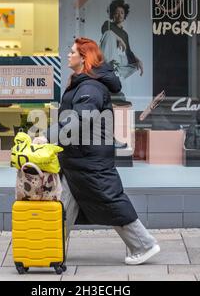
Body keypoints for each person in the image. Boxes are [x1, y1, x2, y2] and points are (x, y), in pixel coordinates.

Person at [35, 37, 160, 265]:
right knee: (64, 202)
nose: (68, 55)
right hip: (77, 158)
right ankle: (52, 250)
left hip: (89, 159)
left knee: (110, 200)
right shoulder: (84, 82)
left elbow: (80, 118)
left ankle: (145, 244)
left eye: (72, 52)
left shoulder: (90, 87)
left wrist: (48, 136)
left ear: (84, 58)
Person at [100, 0, 143, 81]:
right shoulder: (107, 24)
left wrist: (139, 61)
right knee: (109, 34)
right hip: (105, 55)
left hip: (115, 59)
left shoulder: (125, 34)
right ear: (112, 15)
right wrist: (118, 38)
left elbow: (128, 52)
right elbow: (106, 33)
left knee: (133, 63)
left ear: (124, 16)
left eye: (122, 13)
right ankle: (108, 68)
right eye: (116, 13)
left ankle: (115, 71)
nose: (119, 15)